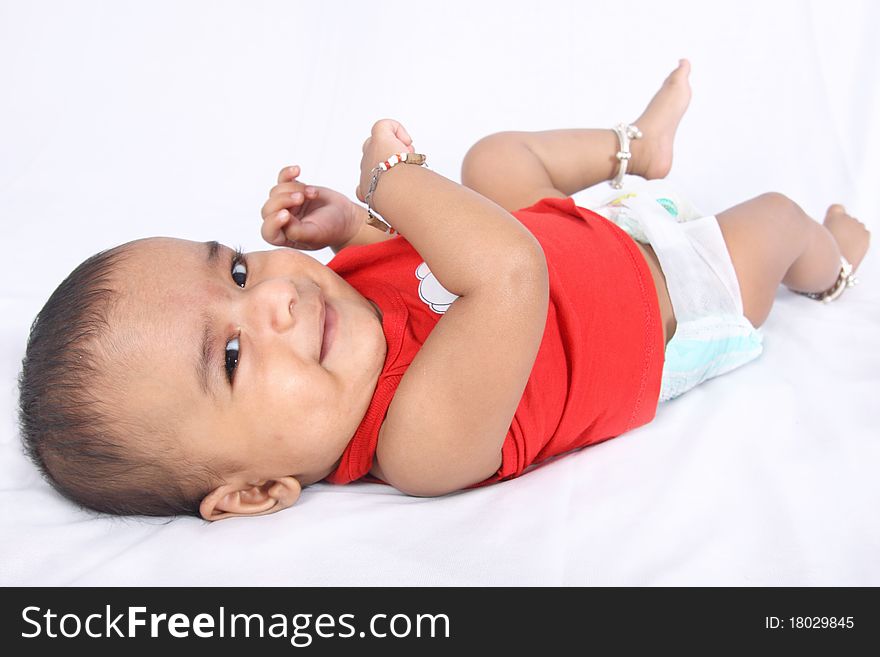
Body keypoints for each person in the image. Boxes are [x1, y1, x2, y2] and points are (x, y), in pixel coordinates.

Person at [18, 60, 870, 521]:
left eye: (237, 271)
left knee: (493, 161)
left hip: (587, 233)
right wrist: (392, 181)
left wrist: (353, 225)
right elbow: (505, 274)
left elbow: (412, 269)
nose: (272, 301)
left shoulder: (335, 315)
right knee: (773, 219)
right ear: (254, 490)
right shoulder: (419, 444)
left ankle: (638, 148)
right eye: (232, 354)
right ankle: (832, 260)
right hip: (670, 298)